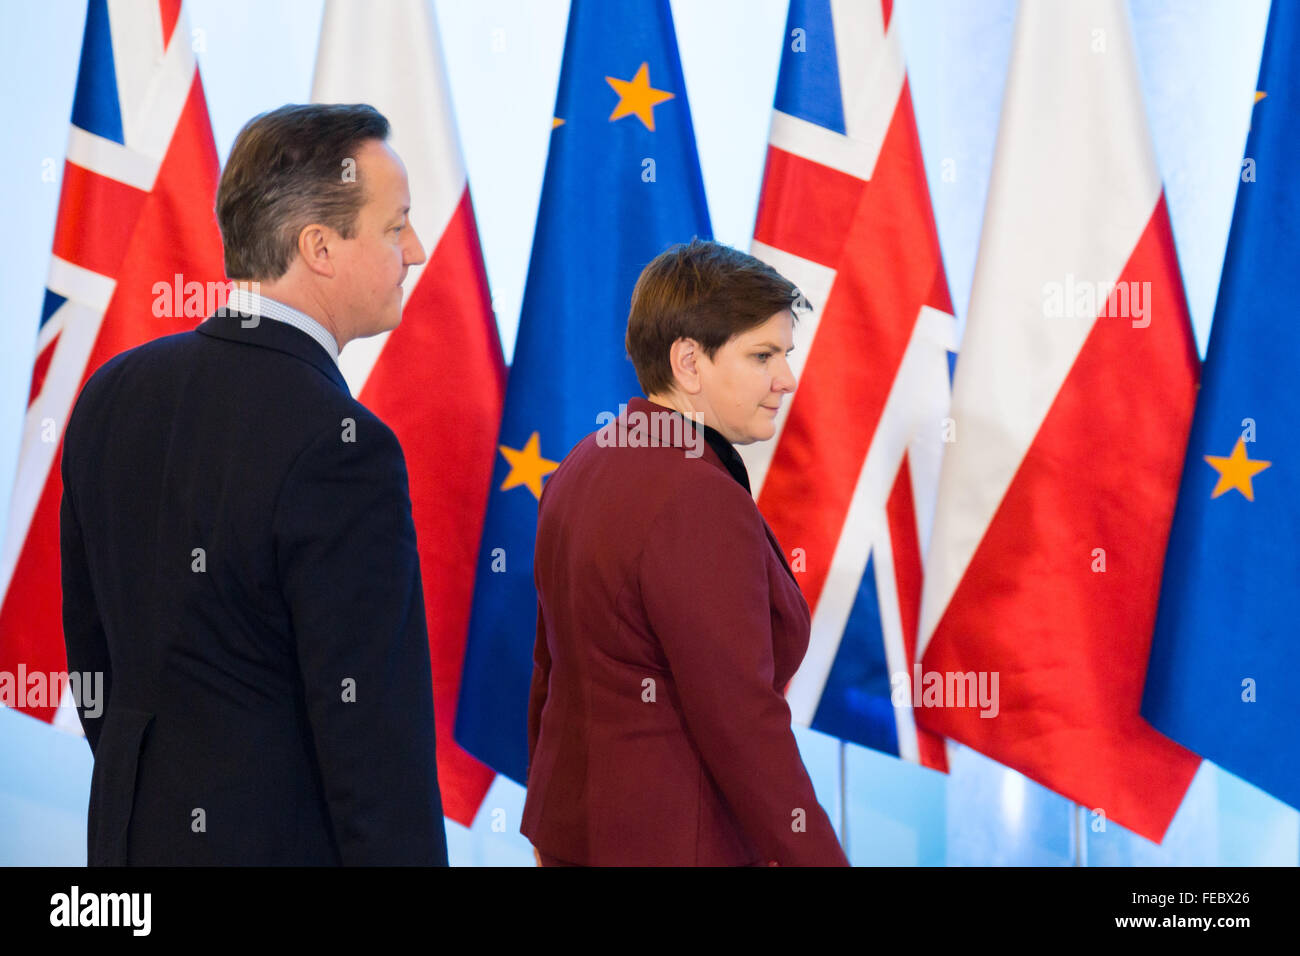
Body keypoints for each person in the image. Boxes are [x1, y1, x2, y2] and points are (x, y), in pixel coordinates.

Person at [59, 103, 448, 865]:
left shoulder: (110, 392)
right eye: (395, 225)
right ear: (320, 248)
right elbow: (374, 746)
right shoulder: (346, 448)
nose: (418, 249)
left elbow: (95, 667)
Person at [522, 239, 850, 866]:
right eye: (763, 355)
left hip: (576, 837)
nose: (786, 377)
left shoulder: (585, 460)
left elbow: (552, 673)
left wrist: (548, 828)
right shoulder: (697, 498)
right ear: (689, 362)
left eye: (785, 353)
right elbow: (741, 723)